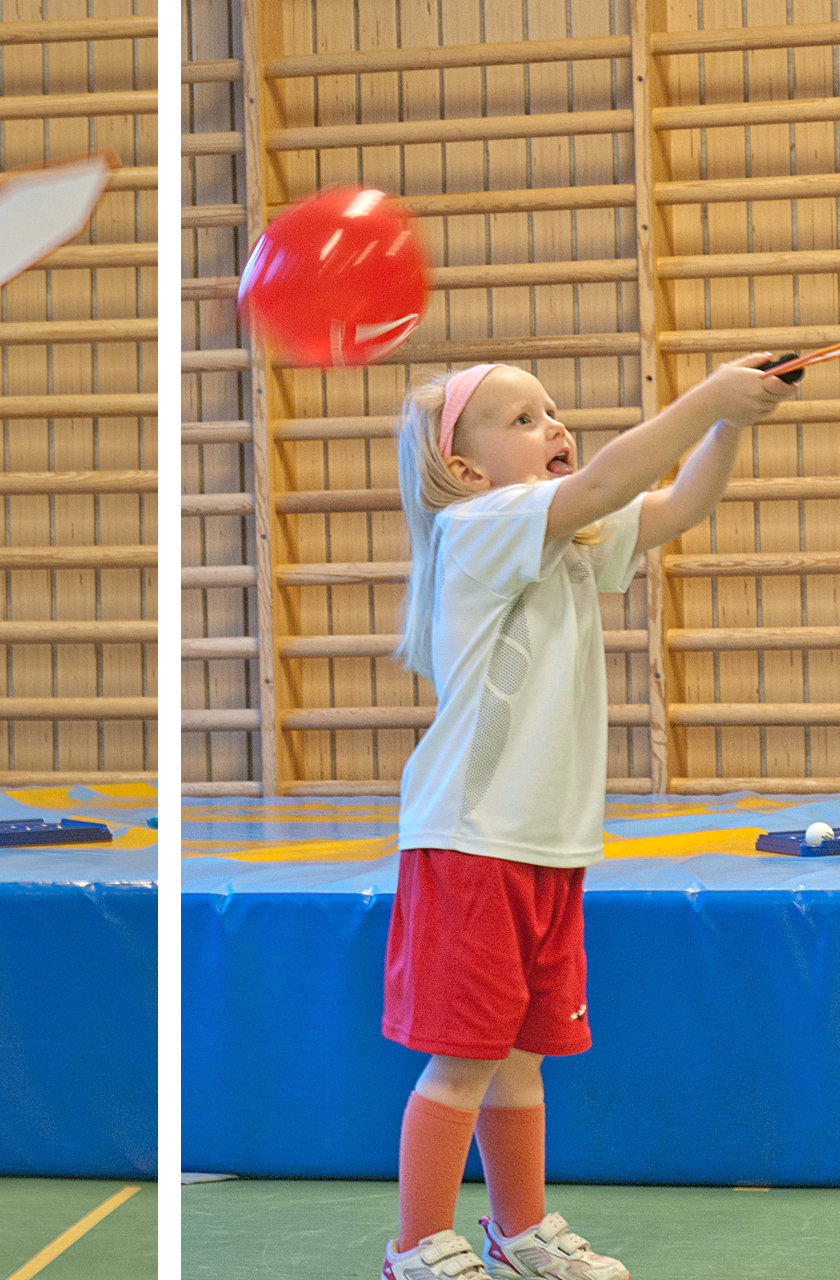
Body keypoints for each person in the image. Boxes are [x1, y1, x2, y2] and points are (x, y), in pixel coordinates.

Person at [381, 356, 788, 1280]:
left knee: (521, 1057)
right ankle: (415, 1249)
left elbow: (674, 508)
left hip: (548, 845)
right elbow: (612, 478)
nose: (554, 425)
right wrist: (706, 399)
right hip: (471, 838)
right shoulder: (478, 524)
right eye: (522, 418)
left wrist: (734, 425)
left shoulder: (563, 534)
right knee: (462, 1061)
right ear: (468, 469)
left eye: (553, 409)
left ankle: (517, 1234)